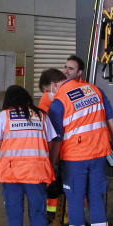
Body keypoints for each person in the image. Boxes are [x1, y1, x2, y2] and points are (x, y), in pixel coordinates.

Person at [48, 54, 113, 226]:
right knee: (96, 198)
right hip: (99, 155)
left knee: (76, 201)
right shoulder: (94, 90)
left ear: (54, 85)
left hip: (75, 159)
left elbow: (57, 139)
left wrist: (52, 164)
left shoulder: (59, 101)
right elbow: (111, 121)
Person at [0, 85, 59, 226]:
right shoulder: (41, 115)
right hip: (36, 173)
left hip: (11, 174)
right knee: (38, 213)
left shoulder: (4, 116)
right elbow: (51, 142)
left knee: (14, 214)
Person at [36, 68, 65, 214]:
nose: (48, 94)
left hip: (62, 150)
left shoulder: (57, 101)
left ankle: (55, 215)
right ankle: (56, 215)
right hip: (63, 151)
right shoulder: (48, 102)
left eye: (47, 91)